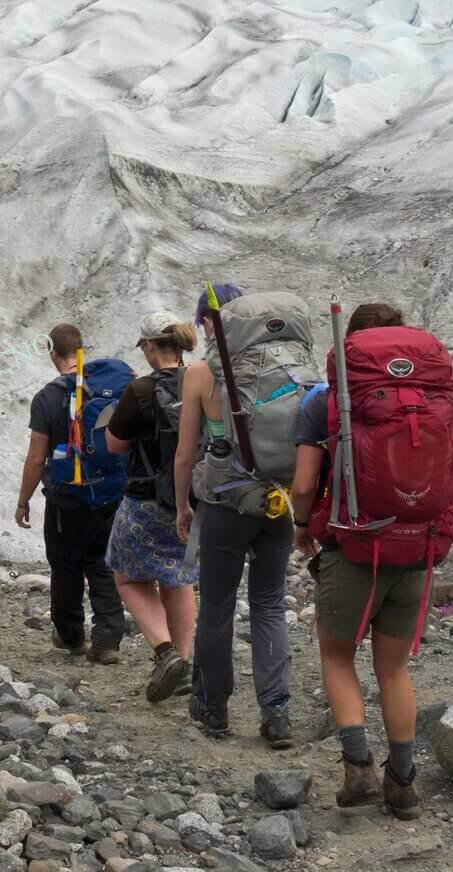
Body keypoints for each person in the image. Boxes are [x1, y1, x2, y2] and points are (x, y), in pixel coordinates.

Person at [290, 302, 423, 819]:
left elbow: (305, 484)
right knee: (394, 669)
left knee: (337, 655)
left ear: (351, 346)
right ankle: (403, 784)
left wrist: (302, 525)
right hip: (415, 548)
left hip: (352, 547)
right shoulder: (424, 396)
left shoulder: (325, 400)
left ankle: (359, 769)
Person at [172, 283, 294, 748]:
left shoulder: (201, 373)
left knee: (218, 604)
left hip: (224, 504)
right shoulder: (283, 368)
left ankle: (212, 707)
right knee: (269, 603)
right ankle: (276, 713)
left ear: (209, 323)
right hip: (276, 502)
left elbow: (186, 454)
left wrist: (183, 505)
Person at [15, 323, 126, 664]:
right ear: (81, 350)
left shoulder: (47, 397)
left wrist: (23, 500)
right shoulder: (111, 387)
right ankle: (107, 639)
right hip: (109, 493)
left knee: (65, 565)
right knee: (103, 563)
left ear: (52, 352)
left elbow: (37, 457)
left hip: (65, 497)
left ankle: (71, 636)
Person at [104, 312, 199, 702]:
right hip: (194, 499)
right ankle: (184, 663)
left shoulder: (140, 390)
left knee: (128, 578)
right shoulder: (203, 380)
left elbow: (114, 444)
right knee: (178, 576)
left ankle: (164, 652)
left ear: (149, 346)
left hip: (146, 498)